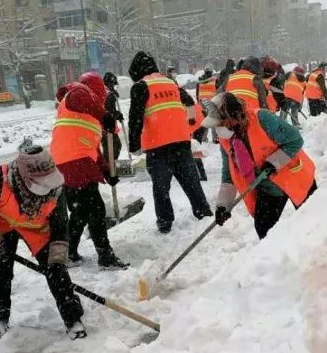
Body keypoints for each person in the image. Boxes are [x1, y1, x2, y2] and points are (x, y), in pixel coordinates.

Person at [0, 141, 86, 342]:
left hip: (36, 228)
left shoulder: (55, 190)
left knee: (56, 270)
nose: (47, 189)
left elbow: (60, 229)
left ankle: (72, 317)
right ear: (24, 179)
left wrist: (56, 259)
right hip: (2, 223)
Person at [202, 93, 317, 240]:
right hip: (268, 186)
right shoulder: (227, 139)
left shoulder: (262, 119)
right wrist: (223, 206)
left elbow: (295, 139)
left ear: (234, 115)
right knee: (264, 229)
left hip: (294, 176)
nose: (218, 128)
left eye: (220, 122)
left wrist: (274, 162)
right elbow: (228, 173)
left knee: (312, 220)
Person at [127, 51, 212, 234]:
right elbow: (189, 102)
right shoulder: (170, 82)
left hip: (158, 147)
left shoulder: (141, 86)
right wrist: (189, 124)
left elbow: (135, 118)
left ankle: (165, 222)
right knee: (191, 182)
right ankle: (203, 213)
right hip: (181, 142)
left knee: (161, 188)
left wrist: (133, 145)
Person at [51, 81, 129, 268]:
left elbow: (94, 150)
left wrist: (107, 172)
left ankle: (69, 253)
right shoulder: (78, 92)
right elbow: (84, 100)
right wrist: (105, 116)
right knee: (96, 210)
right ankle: (105, 257)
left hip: (66, 163)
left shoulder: (79, 115)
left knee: (80, 211)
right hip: (76, 162)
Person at [102, 72, 125, 161]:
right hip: (107, 127)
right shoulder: (108, 94)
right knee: (113, 148)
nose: (115, 86)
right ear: (110, 83)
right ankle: (109, 168)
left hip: (104, 127)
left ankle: (110, 166)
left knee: (110, 148)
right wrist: (116, 114)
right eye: (114, 85)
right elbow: (107, 110)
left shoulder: (104, 91)